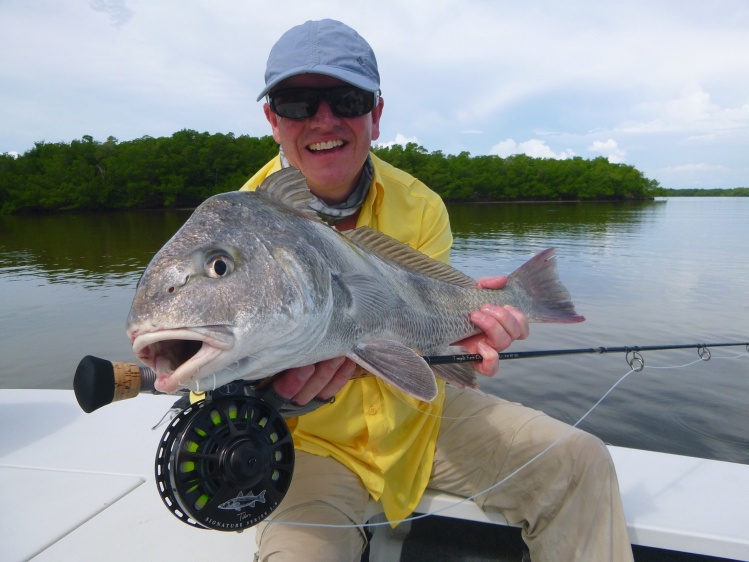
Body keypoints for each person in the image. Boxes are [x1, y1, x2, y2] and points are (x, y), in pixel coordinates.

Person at [242, 18, 633, 562]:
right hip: (307, 443)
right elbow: (213, 376)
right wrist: (274, 396)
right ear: (273, 119)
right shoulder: (240, 229)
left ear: (375, 115)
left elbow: (427, 327)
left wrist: (476, 333)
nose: (323, 119)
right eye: (297, 102)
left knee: (580, 461)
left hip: (417, 414)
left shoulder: (420, 204)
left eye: (346, 98)